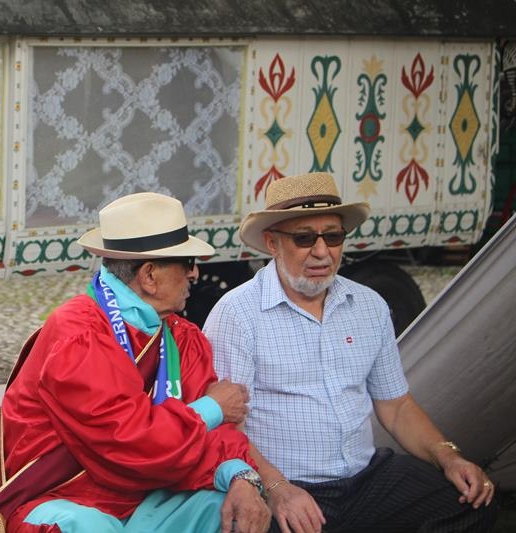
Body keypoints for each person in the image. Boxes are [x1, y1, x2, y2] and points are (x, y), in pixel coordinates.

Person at [203, 172, 498, 532]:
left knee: (471, 504)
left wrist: (448, 457)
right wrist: (277, 489)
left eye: (333, 236)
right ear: (272, 243)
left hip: (366, 478)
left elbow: (397, 406)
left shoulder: (369, 305)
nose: (322, 251)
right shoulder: (237, 314)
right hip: (288, 483)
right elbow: (228, 425)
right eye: (304, 238)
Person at [0, 192, 271, 533]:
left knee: (223, 505)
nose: (196, 273)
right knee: (90, 526)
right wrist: (213, 407)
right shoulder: (77, 333)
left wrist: (240, 476)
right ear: (150, 276)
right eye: (187, 262)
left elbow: (212, 434)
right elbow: (127, 441)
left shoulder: (182, 337)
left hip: (143, 498)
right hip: (60, 499)